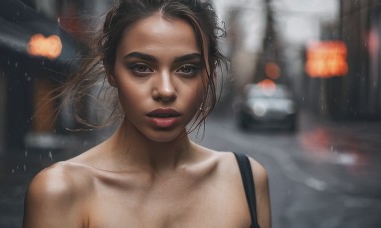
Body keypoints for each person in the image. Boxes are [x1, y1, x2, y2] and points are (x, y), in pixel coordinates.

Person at [23, 0, 271, 227]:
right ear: (111, 70)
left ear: (210, 74)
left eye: (187, 68)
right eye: (141, 68)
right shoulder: (60, 191)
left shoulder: (246, 180)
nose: (165, 90)